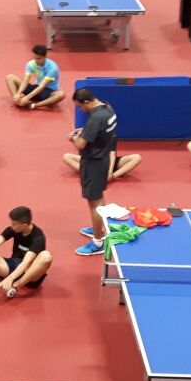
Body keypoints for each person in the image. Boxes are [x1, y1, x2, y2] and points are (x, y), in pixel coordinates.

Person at [70, 88, 116, 256]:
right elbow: (98, 131)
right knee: (99, 198)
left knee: (94, 203)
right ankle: (99, 226)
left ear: (87, 102)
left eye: (80, 106)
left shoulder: (96, 118)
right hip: (103, 159)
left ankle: (98, 242)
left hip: (93, 163)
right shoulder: (108, 109)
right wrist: (84, 131)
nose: (81, 109)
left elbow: (80, 144)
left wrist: (73, 137)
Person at [0, 206, 52, 306]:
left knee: (46, 256)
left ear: (24, 225)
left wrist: (10, 278)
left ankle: (15, 287)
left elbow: (26, 262)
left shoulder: (38, 237)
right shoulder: (14, 229)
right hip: (14, 264)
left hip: (30, 273)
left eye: (14, 224)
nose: (12, 226)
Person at [4, 44, 65, 110]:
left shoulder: (52, 68)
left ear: (45, 57)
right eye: (34, 58)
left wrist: (27, 97)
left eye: (39, 58)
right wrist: (18, 93)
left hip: (48, 91)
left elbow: (42, 86)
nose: (36, 60)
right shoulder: (31, 64)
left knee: (61, 94)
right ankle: (17, 100)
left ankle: (34, 105)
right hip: (36, 87)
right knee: (10, 77)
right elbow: (25, 81)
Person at [62, 143, 141, 181]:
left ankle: (113, 176)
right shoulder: (89, 135)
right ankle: (90, 174)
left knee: (137, 157)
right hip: (93, 164)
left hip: (110, 163)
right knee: (66, 156)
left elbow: (112, 155)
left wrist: (110, 173)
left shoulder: (111, 136)